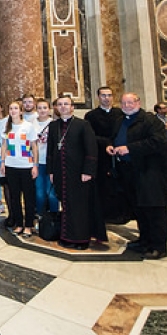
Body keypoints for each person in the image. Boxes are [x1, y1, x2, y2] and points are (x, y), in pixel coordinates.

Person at [107, 93, 167, 260]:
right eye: (124, 102)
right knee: (139, 208)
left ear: (138, 102)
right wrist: (110, 146)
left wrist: (130, 148)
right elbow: (114, 138)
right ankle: (144, 240)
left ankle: (158, 246)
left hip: (150, 172)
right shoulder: (120, 120)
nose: (127, 105)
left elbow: (157, 142)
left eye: (130, 102)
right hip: (129, 172)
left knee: (154, 209)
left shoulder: (150, 121)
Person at [47, 96, 99, 251]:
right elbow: (50, 151)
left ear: (72, 107)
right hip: (60, 171)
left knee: (79, 206)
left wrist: (88, 171)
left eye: (66, 104)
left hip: (78, 172)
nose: (63, 107)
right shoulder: (54, 125)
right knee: (66, 204)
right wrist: (50, 171)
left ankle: (81, 239)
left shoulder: (82, 124)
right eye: (60, 104)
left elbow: (91, 149)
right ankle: (66, 236)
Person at [84, 86, 126, 225]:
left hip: (120, 153)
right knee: (103, 185)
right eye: (103, 95)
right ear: (98, 97)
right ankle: (104, 213)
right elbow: (90, 136)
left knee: (120, 184)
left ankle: (120, 213)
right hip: (101, 154)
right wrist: (106, 144)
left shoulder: (120, 113)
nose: (106, 98)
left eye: (109, 95)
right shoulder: (91, 116)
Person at [1, 100, 37, 237]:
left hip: (26, 165)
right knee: (14, 197)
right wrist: (3, 162)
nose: (13, 111)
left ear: (21, 111)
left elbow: (34, 146)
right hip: (11, 166)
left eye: (16, 108)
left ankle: (28, 225)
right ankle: (19, 223)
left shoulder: (28, 126)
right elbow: (4, 145)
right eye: (11, 108)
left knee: (28, 197)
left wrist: (35, 165)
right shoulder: (8, 127)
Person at [33, 98, 59, 216]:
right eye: (39, 108)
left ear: (49, 109)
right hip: (37, 162)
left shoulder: (54, 124)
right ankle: (41, 217)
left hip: (51, 163)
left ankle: (55, 218)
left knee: (52, 193)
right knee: (39, 193)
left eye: (45, 108)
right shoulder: (31, 124)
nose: (42, 110)